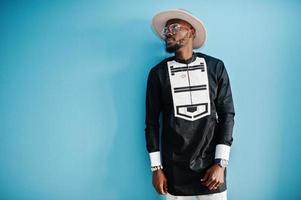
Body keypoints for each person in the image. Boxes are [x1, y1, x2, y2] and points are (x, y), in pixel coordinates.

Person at [144, 9, 235, 200]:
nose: (168, 32)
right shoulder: (158, 73)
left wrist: (221, 163)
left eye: (174, 27)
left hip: (212, 171)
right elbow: (152, 123)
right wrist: (156, 168)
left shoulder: (215, 67)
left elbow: (227, 115)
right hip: (174, 171)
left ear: (191, 32)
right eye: (166, 30)